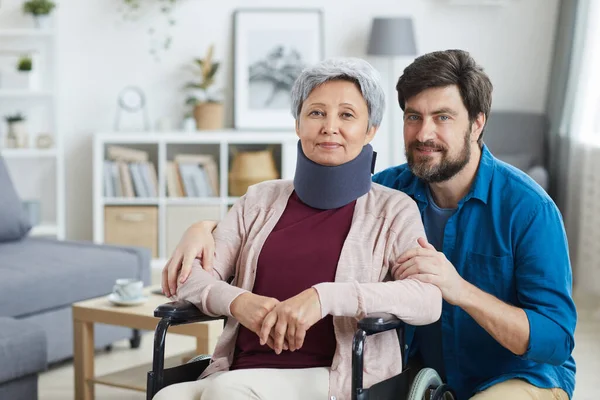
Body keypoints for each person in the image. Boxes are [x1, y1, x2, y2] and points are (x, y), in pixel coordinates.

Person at [162, 49, 577, 400]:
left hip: (513, 375)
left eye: (443, 117)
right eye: (414, 117)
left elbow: (555, 340)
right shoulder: (390, 189)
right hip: (423, 372)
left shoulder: (529, 209)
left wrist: (460, 290)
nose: (424, 133)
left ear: (478, 122)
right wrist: (204, 227)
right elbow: (319, 207)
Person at [154, 57, 442, 400]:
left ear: (370, 130)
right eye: (316, 112)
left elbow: (427, 298)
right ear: (298, 123)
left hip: (335, 378)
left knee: (226, 392)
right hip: (240, 368)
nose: (329, 127)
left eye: (347, 115)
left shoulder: (393, 210)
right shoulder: (259, 200)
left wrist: (325, 297)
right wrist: (238, 302)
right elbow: (194, 277)